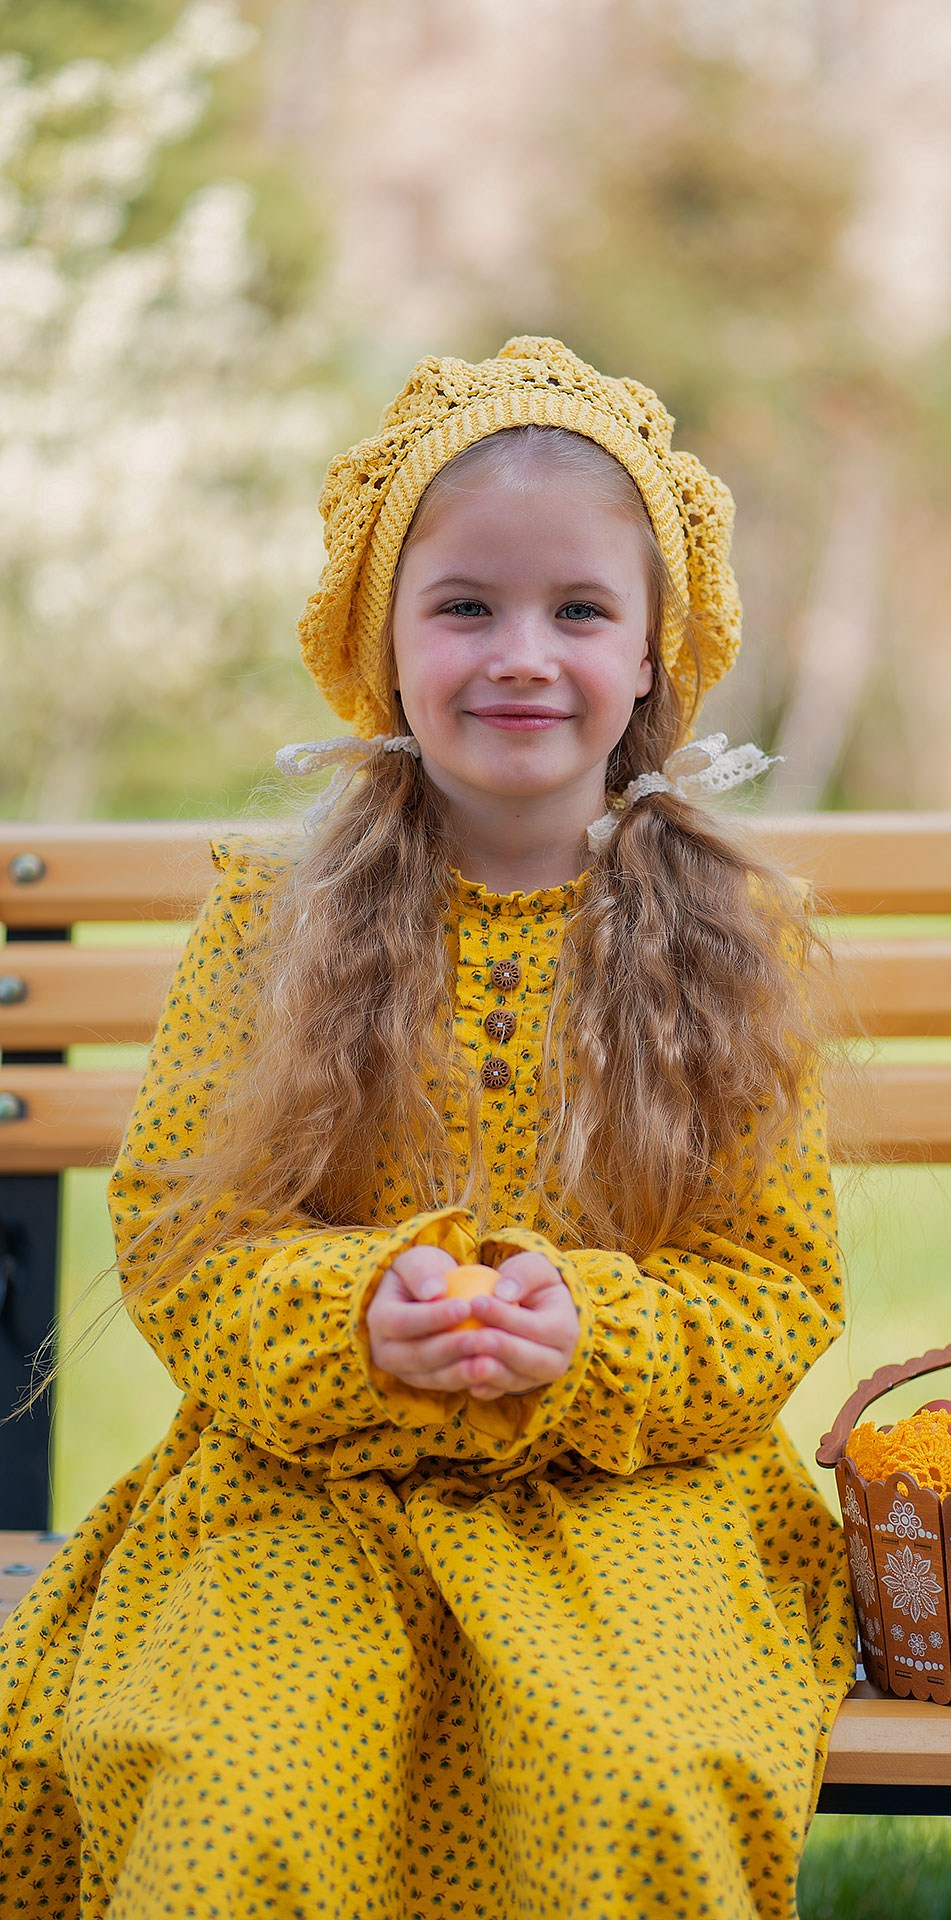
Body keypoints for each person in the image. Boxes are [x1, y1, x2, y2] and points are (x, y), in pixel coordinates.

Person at [0, 336, 855, 1919]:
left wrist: (586, 1330)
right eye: (465, 606)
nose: (521, 654)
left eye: (579, 611)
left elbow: (775, 1281)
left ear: (658, 651)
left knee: (636, 1785)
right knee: (230, 1789)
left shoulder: (729, 939)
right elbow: (190, 1239)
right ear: (380, 644)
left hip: (626, 1494)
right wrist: (358, 1314)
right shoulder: (279, 922)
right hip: (312, 1488)